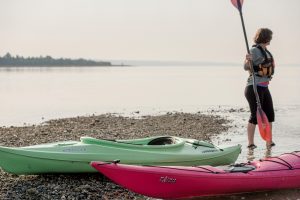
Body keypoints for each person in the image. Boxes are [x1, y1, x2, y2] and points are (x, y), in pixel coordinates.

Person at [244, 28, 276, 149]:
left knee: (270, 114)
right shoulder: (254, 50)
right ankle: (250, 144)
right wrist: (248, 60)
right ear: (266, 37)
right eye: (270, 37)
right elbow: (245, 66)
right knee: (255, 116)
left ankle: (269, 142)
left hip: (264, 87)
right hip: (254, 87)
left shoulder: (266, 51)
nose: (271, 39)